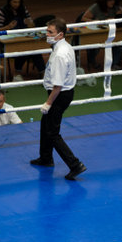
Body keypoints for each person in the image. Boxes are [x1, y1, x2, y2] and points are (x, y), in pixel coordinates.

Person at [30, 18, 86, 181]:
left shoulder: (60, 54)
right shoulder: (63, 46)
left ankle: (75, 165)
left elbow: (58, 85)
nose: (47, 34)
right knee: (45, 124)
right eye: (47, 31)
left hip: (59, 95)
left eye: (50, 32)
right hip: (61, 93)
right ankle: (46, 158)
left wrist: (49, 103)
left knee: (52, 132)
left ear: (60, 34)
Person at [0, 0, 46, 81]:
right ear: (9, 2)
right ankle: (17, 73)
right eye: (14, 2)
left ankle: (43, 73)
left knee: (33, 48)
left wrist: (30, 24)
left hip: (23, 37)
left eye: (18, 2)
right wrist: (8, 27)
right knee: (23, 48)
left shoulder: (23, 9)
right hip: (8, 41)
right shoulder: (2, 11)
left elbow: (31, 25)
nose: (17, 4)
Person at [81, 0, 122, 70]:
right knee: (94, 46)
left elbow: (121, 16)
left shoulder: (115, 7)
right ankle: (92, 62)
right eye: (110, 0)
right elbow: (84, 18)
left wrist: (113, 18)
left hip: (111, 32)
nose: (112, 2)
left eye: (113, 0)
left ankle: (115, 64)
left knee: (118, 42)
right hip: (98, 33)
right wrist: (96, 21)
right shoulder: (96, 7)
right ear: (104, 1)